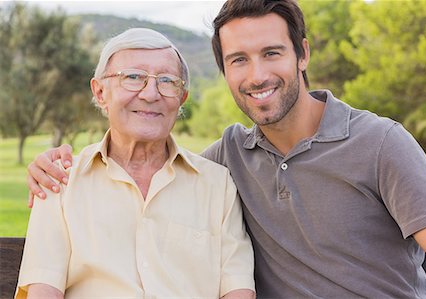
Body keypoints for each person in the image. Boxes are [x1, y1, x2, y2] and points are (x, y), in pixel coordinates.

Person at [27, 0, 426, 297]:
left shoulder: (381, 144)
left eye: (272, 53)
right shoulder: (229, 159)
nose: (258, 74)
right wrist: (48, 165)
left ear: (302, 54)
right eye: (239, 60)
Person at [16, 27, 255, 299]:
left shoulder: (218, 185)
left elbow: (238, 292)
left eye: (167, 81)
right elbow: (43, 292)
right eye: (133, 77)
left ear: (181, 99)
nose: (151, 94)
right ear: (100, 92)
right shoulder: (59, 180)